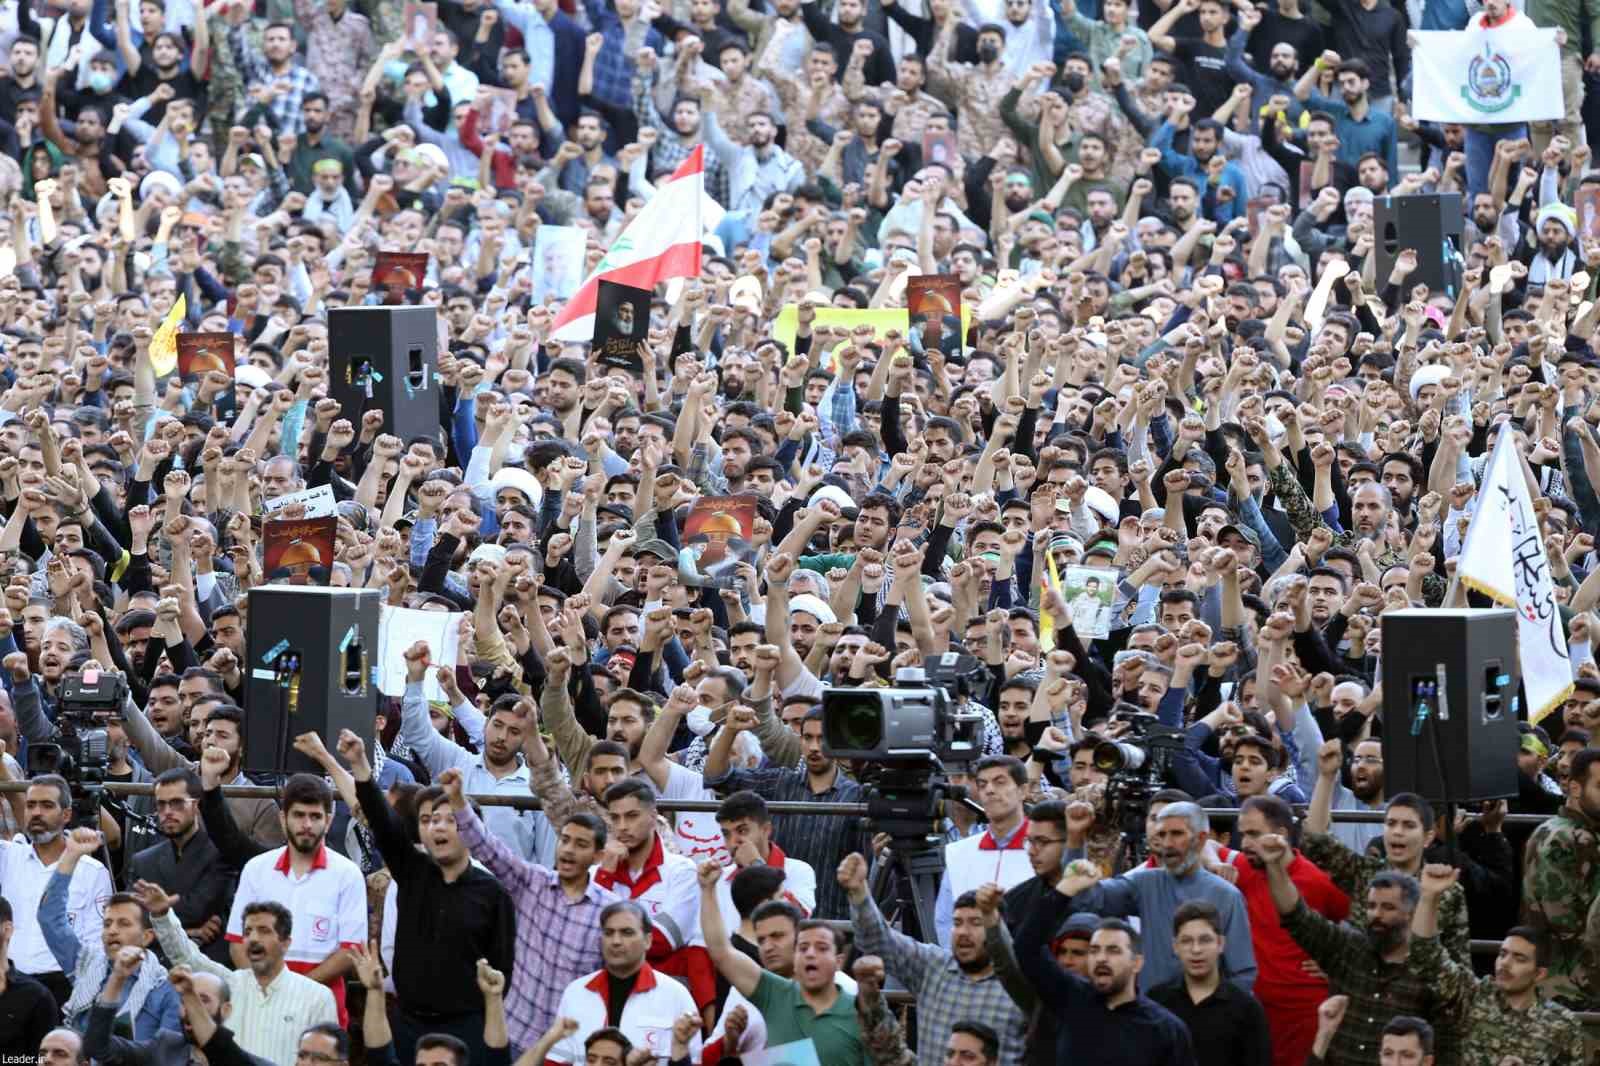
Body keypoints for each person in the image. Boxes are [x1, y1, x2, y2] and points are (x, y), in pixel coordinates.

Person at [1252, 830, 1454, 1066]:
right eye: (1370, 906)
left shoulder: (1431, 973)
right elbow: (1297, 916)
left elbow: (1446, 1048)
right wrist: (1275, 866)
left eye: (1388, 907)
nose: (1376, 915)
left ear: (1411, 914)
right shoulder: (1348, 948)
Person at [838, 852, 1029, 1066]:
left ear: (997, 926)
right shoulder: (933, 964)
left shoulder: (1021, 984)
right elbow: (877, 940)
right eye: (957, 923)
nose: (963, 932)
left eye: (976, 922)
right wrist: (859, 893)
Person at [1409, 863, 1584, 1066]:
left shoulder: (1562, 1025)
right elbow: (1425, 957)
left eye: (1519, 958)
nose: (1505, 964)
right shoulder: (1472, 995)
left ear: (1539, 974)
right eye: (1503, 954)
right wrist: (1429, 898)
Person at [699, 858, 866, 1065]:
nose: (768, 946)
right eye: (761, 940)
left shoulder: (850, 992)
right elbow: (720, 952)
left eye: (777, 936)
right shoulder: (756, 990)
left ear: (798, 937)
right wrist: (707, 890)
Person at [541, 900, 701, 1064]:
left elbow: (694, 1061)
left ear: (648, 940)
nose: (616, 941)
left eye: (627, 932)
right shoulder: (576, 992)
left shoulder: (675, 995)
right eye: (609, 933)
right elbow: (556, 1062)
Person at [1147, 900, 1272, 1066]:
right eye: (1186, 941)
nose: (1196, 949)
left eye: (1205, 940)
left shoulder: (1247, 1009)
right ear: (1175, 946)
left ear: (1220, 944)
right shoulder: (1156, 1002)